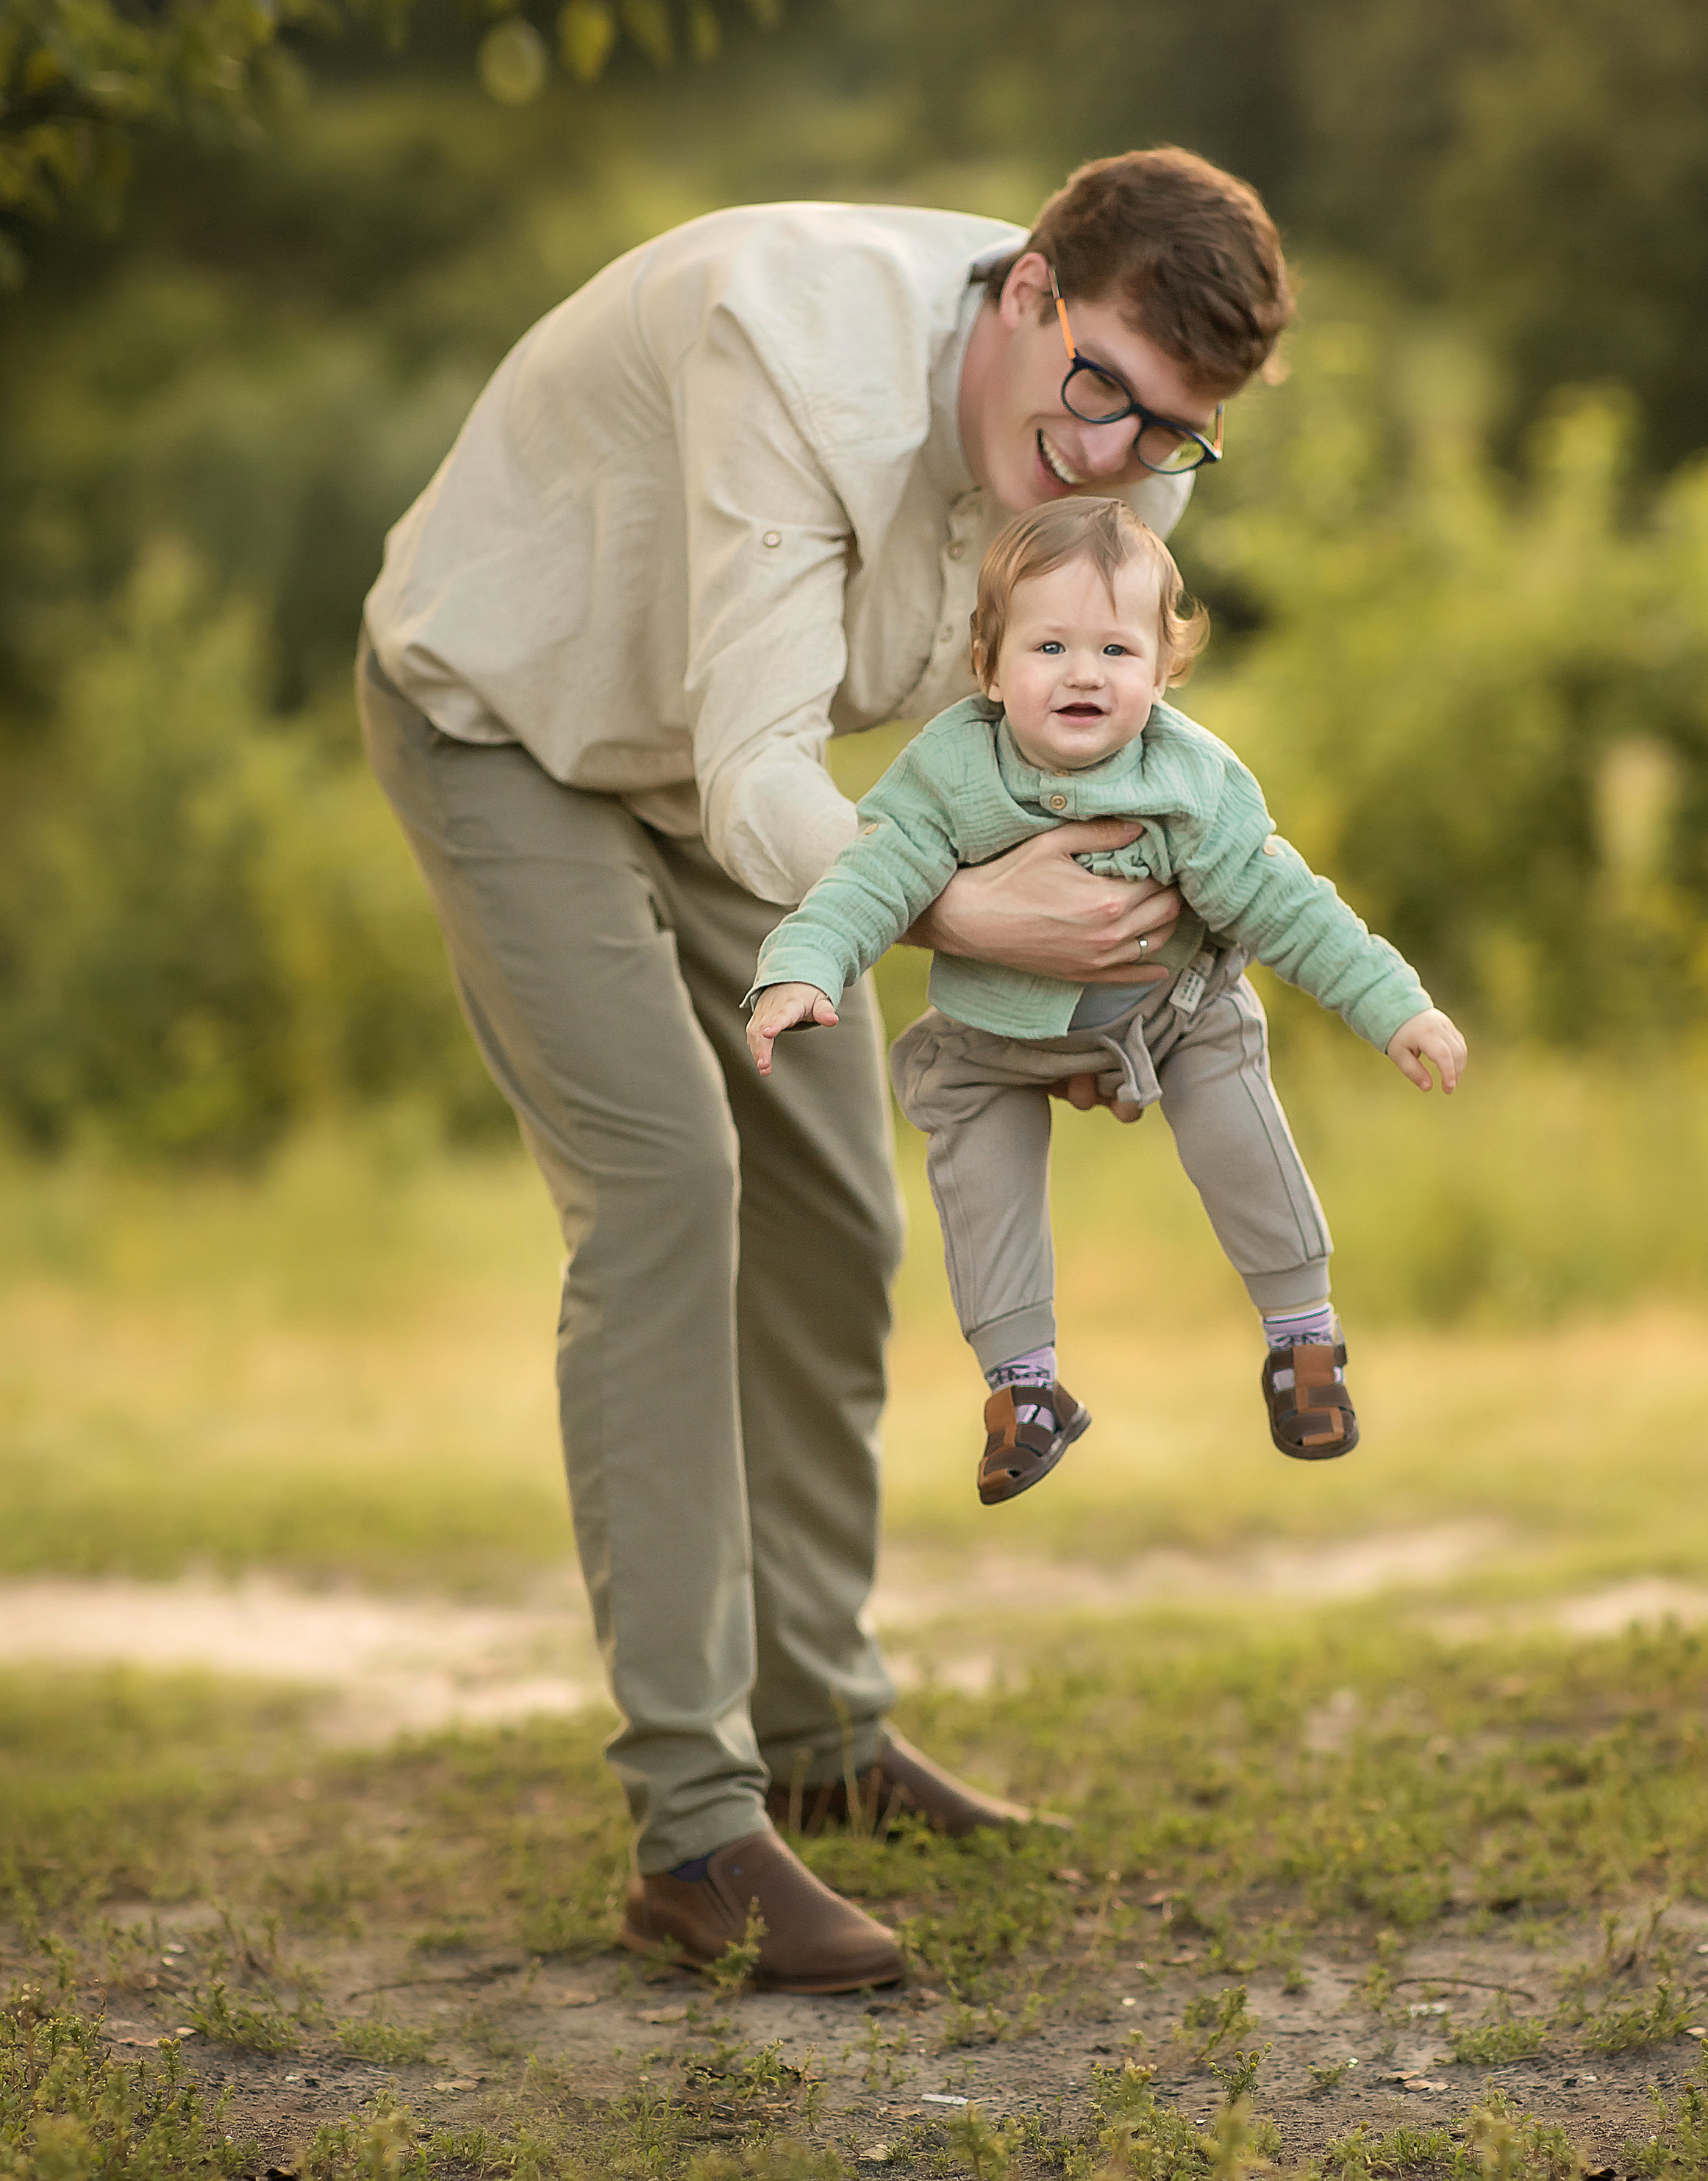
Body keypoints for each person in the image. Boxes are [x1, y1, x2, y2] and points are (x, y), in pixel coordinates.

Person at [358, 147, 1292, 1993]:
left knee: (837, 1216)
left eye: (1167, 431)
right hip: (508, 726)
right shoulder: (785, 356)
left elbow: (1035, 759)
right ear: (1026, 290)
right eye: (1097, 388)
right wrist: (979, 920)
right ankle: (691, 1829)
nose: (1108, 456)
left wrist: (1084, 989)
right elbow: (762, 767)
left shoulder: (1111, 457)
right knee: (667, 1187)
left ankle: (822, 1735)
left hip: (717, 777)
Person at [747, 497, 1468, 1502]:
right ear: (988, 666)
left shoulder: (1187, 782)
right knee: (972, 1148)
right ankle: (1023, 1387)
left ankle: (1303, 1338)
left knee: (1232, 1094)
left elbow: (1288, 904)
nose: (1084, 673)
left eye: (1117, 651)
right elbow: (868, 880)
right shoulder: (951, 774)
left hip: (1170, 1012)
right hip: (997, 1035)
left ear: (1163, 673)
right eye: (1050, 647)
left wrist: (1396, 1006)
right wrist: (803, 968)